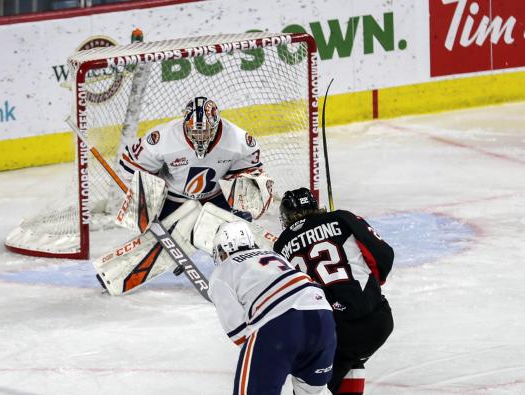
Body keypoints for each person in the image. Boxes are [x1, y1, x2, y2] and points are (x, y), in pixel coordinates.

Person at [273, 188, 394, 395]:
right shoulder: (342, 218)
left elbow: (285, 299)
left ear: (285, 218)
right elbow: (384, 255)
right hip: (378, 321)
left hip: (333, 332)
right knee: (350, 359)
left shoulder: (280, 246)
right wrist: (367, 291)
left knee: (310, 387)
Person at [209, 221, 336, 395]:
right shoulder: (276, 256)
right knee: (314, 391)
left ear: (224, 249)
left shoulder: (223, 271)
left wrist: (274, 358)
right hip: (323, 315)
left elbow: (239, 332)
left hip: (280, 322)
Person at [119, 96, 269, 220]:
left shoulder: (238, 140)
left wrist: (243, 203)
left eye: (205, 131)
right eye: (195, 131)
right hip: (173, 200)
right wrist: (146, 199)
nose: (200, 136)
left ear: (216, 125)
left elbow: (251, 171)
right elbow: (131, 165)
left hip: (217, 198)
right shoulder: (163, 138)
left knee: (251, 184)